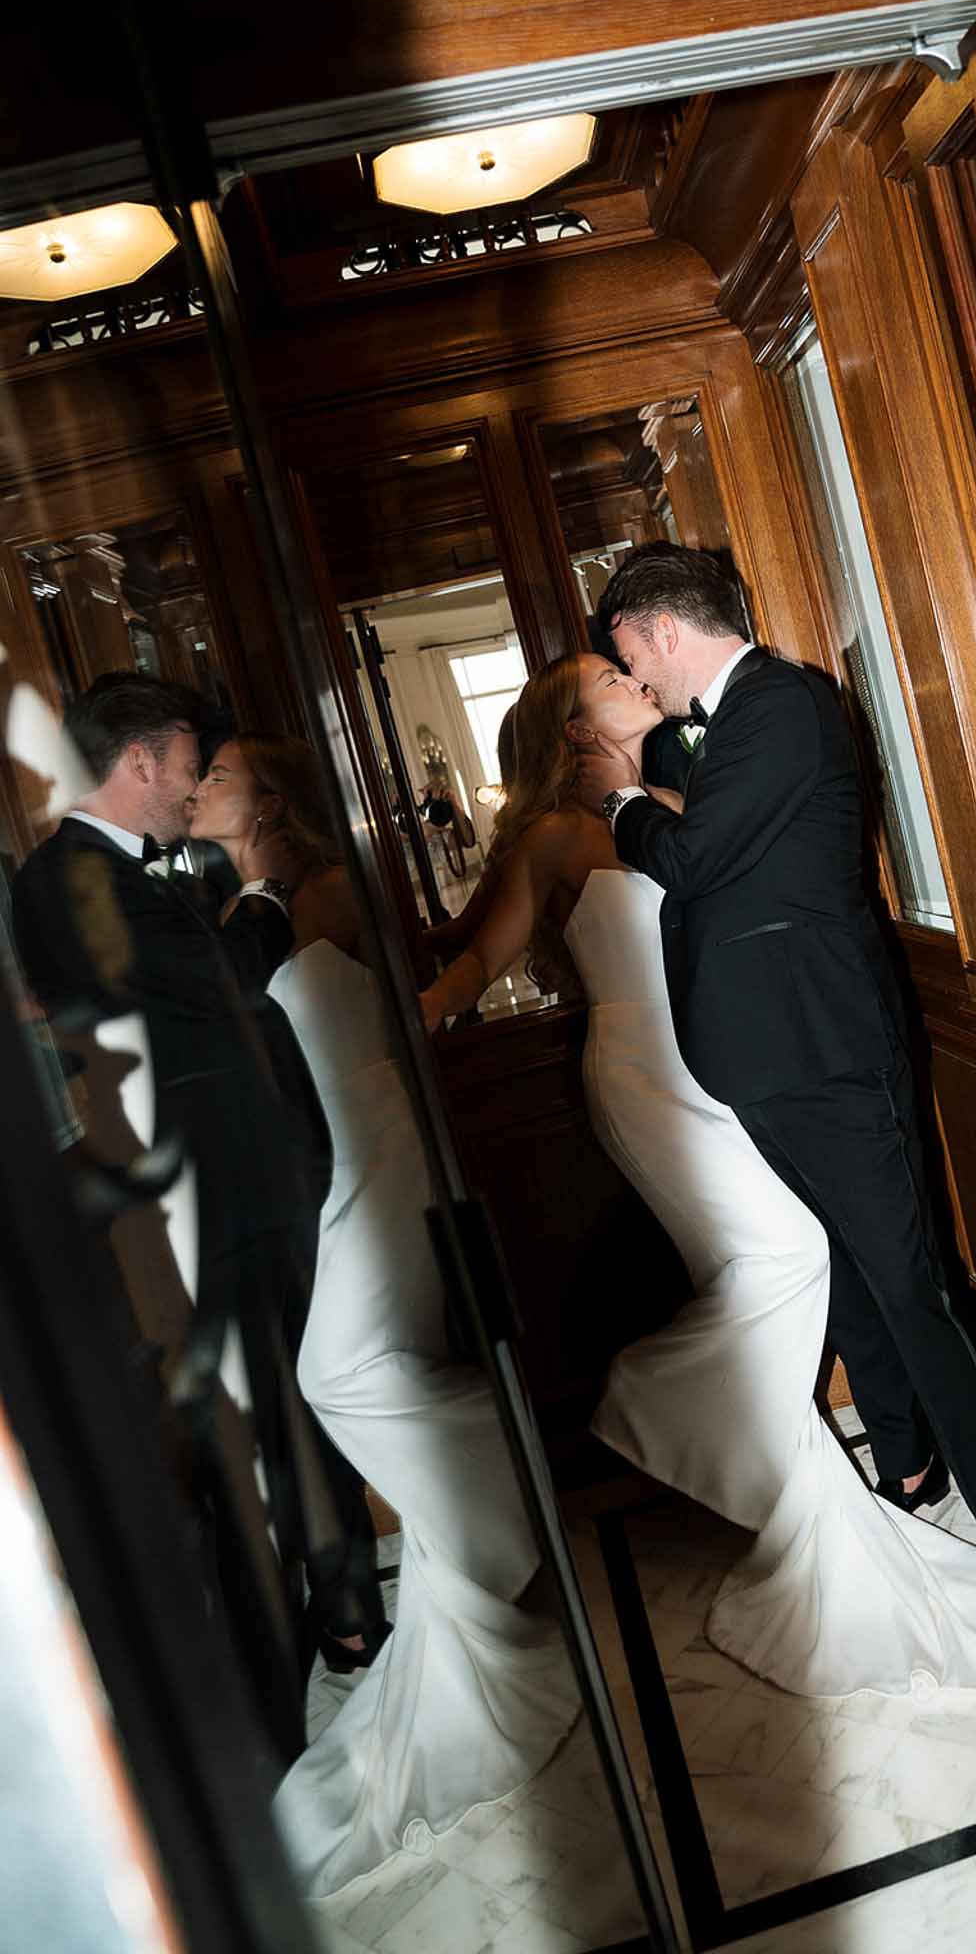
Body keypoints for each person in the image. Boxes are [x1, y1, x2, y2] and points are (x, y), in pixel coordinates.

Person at [422, 650, 976, 1700]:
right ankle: (653, 1396)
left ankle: (870, 1471)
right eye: (609, 674)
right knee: (783, 1252)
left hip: (727, 1067)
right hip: (642, 1075)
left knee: (809, 1250)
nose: (634, 676)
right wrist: (400, 1025)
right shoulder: (553, 833)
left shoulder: (680, 801)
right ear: (571, 722)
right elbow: (478, 955)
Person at [574, 543, 976, 1575]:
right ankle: (910, 1462)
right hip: (768, 1053)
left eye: (632, 657)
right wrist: (627, 761)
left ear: (661, 628)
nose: (641, 681)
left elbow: (693, 859)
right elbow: (690, 789)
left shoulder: (781, 705)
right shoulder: (726, 728)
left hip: (823, 1047)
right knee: (846, 1269)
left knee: (906, 1279)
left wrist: (617, 804)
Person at [188, 734, 578, 1898]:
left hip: (379, 1157)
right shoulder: (237, 899)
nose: (198, 788)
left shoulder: (327, 887)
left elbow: (412, 996)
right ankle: (485, 1559)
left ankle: (500, 1517)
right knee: (366, 1372)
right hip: (342, 1166)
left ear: (269, 798)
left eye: (217, 775)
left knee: (337, 1374)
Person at [10, 674, 383, 1751]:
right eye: (187, 765)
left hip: (243, 1181)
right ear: (140, 761)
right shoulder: (65, 881)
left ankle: (350, 1620)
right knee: (252, 1435)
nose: (192, 787)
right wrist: (265, 890)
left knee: (297, 1401)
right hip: (199, 1197)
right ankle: (264, 1708)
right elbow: (217, 988)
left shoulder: (126, 873)